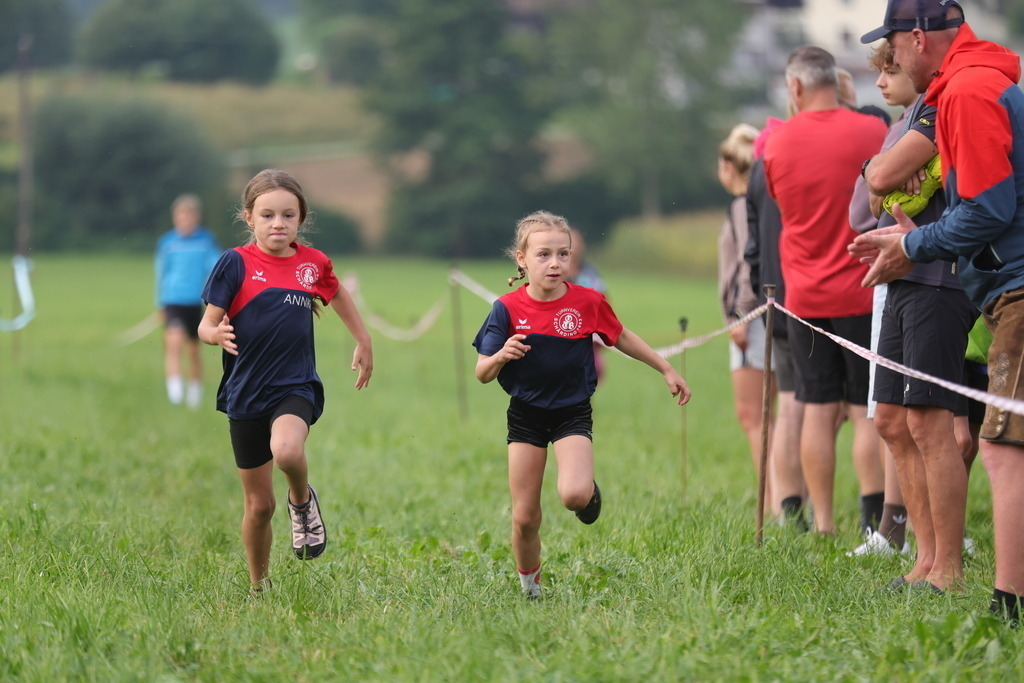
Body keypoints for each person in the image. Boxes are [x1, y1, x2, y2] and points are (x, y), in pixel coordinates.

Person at [853, 0, 1024, 623]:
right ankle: (934, 565)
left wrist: (913, 244)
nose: (887, 61)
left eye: (892, 47)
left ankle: (973, 584)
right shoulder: (958, 88)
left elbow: (987, 209)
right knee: (901, 422)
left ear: (918, 38)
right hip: (968, 279)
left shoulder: (970, 91)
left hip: (975, 281)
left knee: (985, 441)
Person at [473, 210, 691, 599]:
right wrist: (502, 354)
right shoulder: (505, 309)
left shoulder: (588, 302)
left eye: (563, 254)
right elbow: (482, 373)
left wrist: (665, 368)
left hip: (572, 412)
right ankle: (530, 588)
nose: (555, 263)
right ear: (521, 258)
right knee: (525, 518)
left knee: (573, 495)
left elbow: (621, 336)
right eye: (543, 255)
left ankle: (589, 494)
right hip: (525, 416)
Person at [198, 169, 373, 595]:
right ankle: (259, 586)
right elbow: (205, 324)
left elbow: (338, 295)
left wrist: (363, 339)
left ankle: (301, 500)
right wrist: (214, 333)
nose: (278, 223)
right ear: (249, 218)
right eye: (268, 215)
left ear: (301, 219)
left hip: (295, 386)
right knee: (258, 506)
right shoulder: (234, 263)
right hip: (245, 393)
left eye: (288, 215)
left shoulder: (312, 264)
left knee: (287, 449)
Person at [850, 39, 976, 592]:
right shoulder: (904, 123)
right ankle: (924, 559)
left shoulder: (946, 110)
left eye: (892, 66)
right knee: (890, 421)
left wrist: (884, 173)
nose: (882, 79)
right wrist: (884, 169)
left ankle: (948, 568)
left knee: (929, 422)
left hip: (940, 279)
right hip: (899, 276)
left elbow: (879, 184)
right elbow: (869, 201)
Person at [763, 45, 887, 535]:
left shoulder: (776, 143)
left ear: (795, 88)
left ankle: (825, 524)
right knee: (863, 410)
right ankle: (873, 517)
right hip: (862, 287)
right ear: (835, 81)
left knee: (816, 406)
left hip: (805, 296)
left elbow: (779, 200)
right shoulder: (872, 131)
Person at [746, 117, 808, 530]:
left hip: (777, 298)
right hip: (812, 294)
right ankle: (872, 518)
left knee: (792, 406)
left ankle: (792, 507)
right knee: (816, 408)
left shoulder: (764, 159)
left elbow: (752, 246)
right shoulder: (804, 152)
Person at [717, 123, 777, 514]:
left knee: (753, 414)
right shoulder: (757, 202)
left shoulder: (741, 205)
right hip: (759, 314)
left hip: (749, 317)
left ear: (728, 165)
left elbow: (745, 262)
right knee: (772, 413)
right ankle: (782, 497)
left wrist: (739, 315)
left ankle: (774, 500)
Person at [154, 194, 221, 408]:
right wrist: (160, 303)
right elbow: (161, 273)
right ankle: (175, 393)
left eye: (189, 216)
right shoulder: (167, 243)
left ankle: (194, 395)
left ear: (196, 218)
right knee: (174, 343)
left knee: (193, 350)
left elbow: (216, 268)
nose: (185, 221)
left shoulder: (205, 241)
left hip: (196, 302)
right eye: (181, 217)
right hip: (173, 301)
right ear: (175, 218)